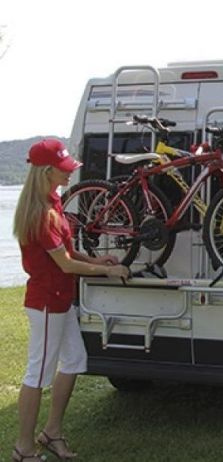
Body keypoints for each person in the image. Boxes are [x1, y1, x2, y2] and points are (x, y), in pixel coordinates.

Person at [12, 139, 129, 462]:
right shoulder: (42, 214)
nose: (69, 174)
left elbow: (67, 253)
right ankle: (23, 448)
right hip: (47, 303)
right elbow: (64, 265)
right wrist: (107, 270)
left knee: (75, 360)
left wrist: (95, 259)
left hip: (61, 300)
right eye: (63, 170)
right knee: (37, 375)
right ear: (47, 172)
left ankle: (51, 433)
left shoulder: (53, 203)